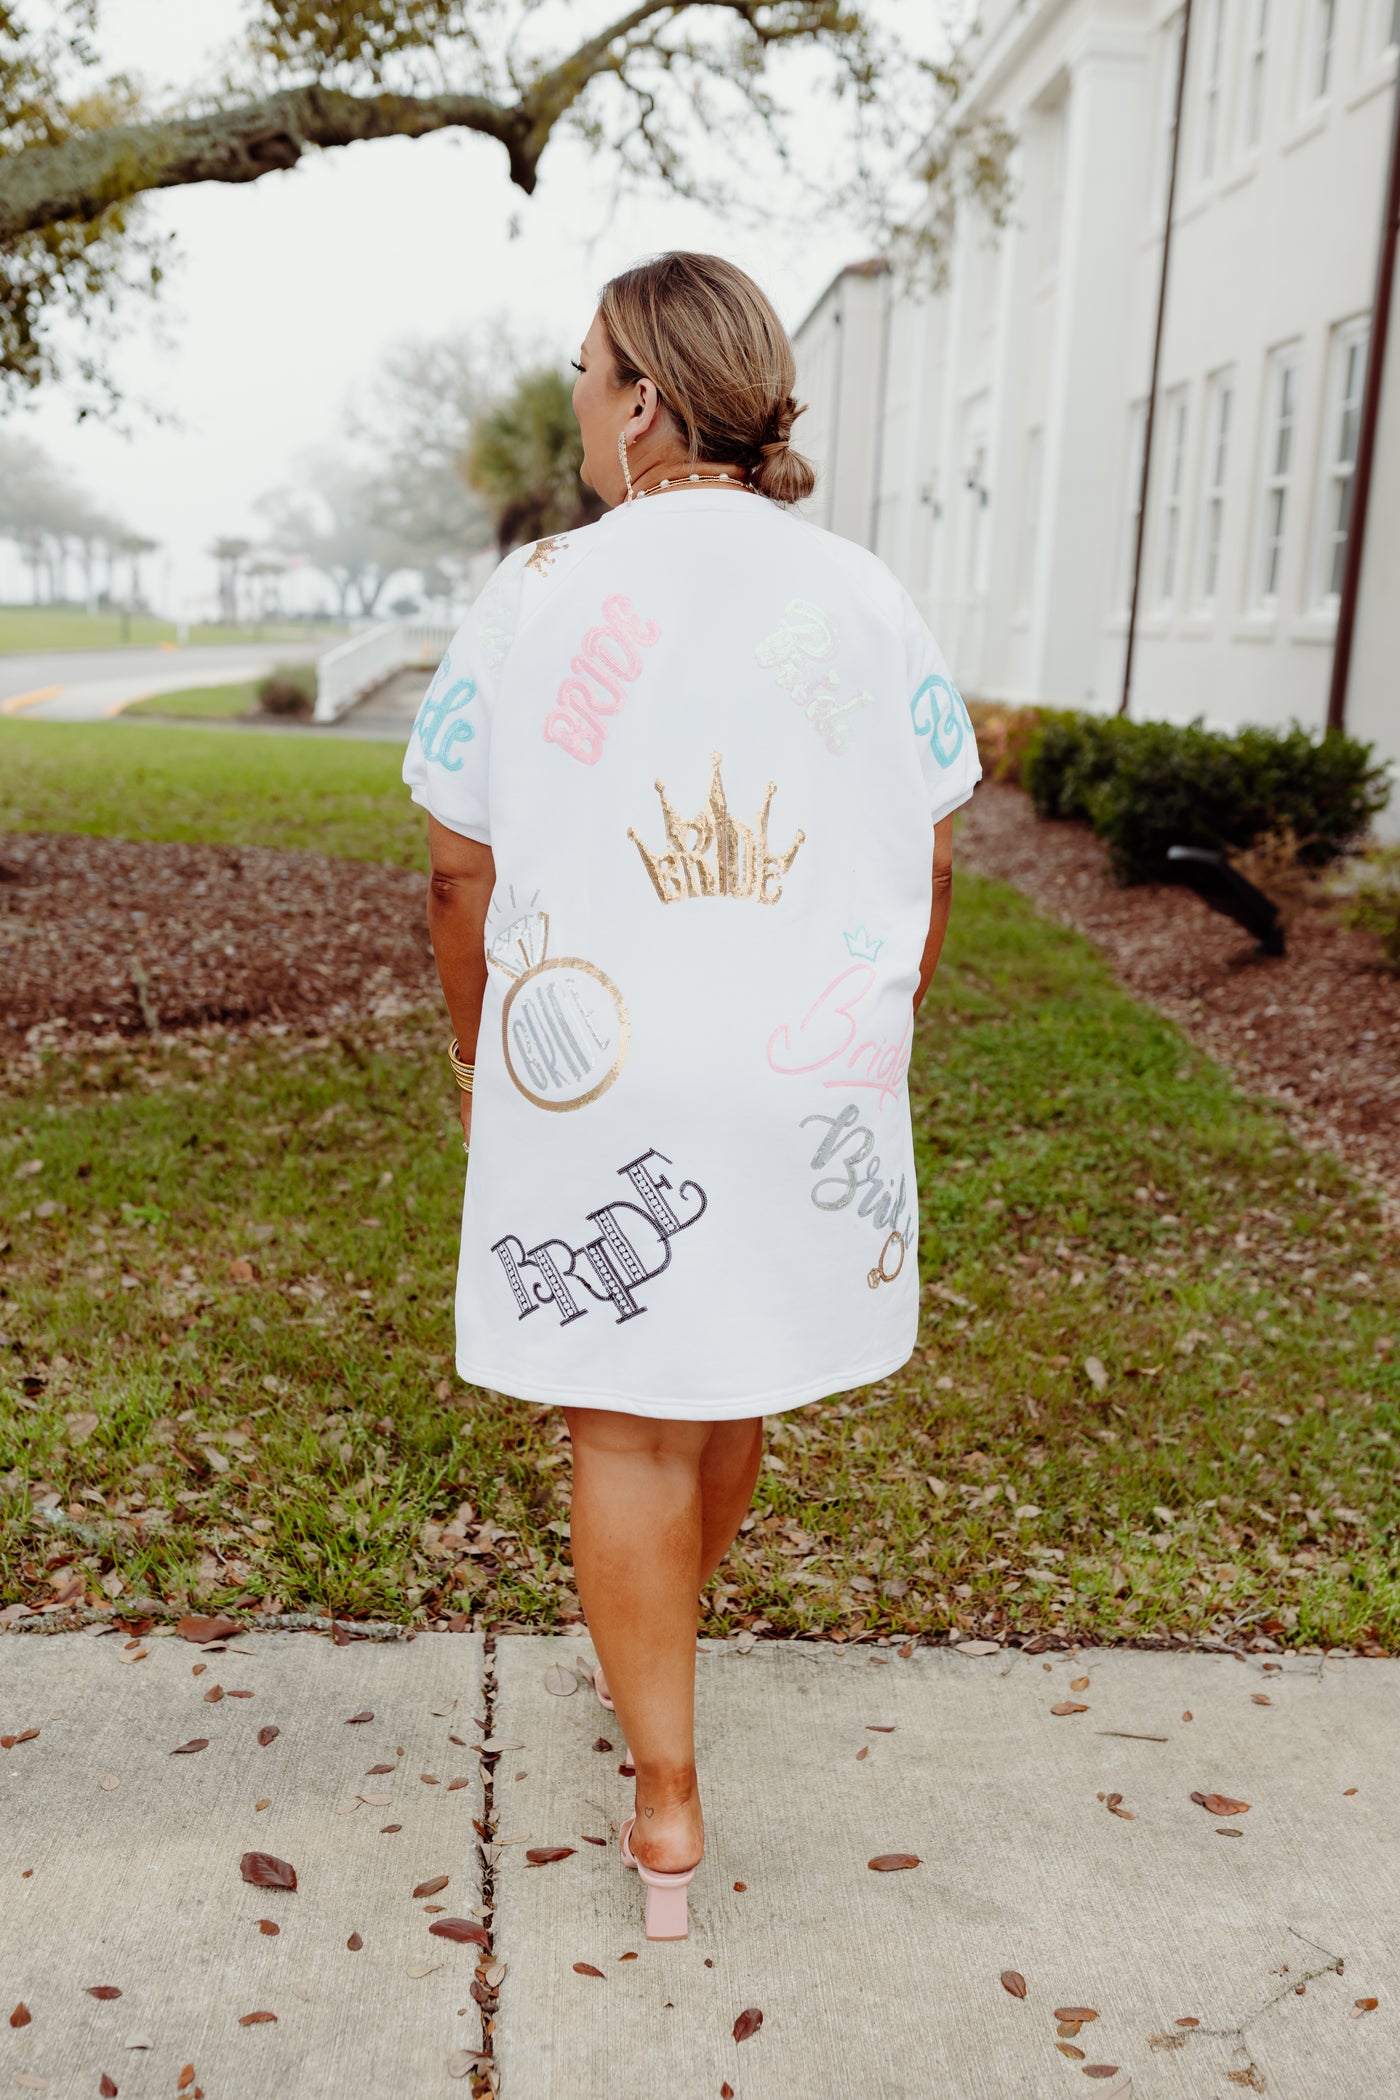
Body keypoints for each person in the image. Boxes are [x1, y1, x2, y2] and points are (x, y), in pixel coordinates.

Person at [403, 251, 980, 1941]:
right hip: (804, 1056)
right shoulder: (866, 595)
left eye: (590, 372)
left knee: (625, 1417)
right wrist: (885, 1020)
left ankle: (666, 1795)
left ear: (646, 397)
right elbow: (936, 849)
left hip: (599, 1069)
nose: (580, 401)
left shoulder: (537, 592)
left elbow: (457, 870)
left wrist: (469, 1051)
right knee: (726, 1377)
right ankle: (664, 1651)